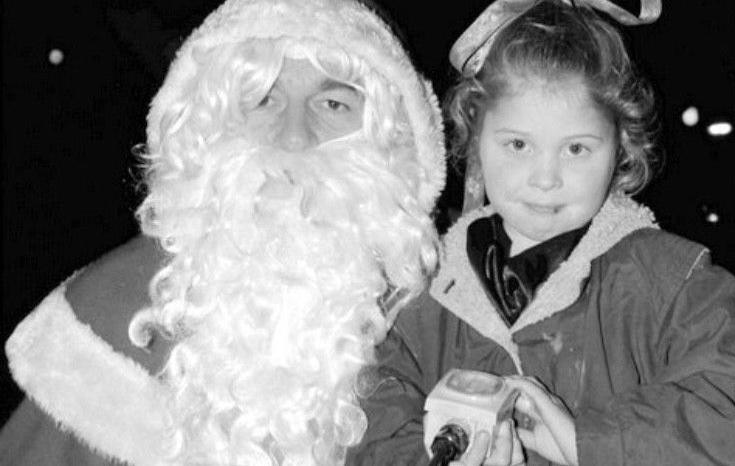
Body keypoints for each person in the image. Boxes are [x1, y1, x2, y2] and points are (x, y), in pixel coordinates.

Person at [1, 0, 447, 464]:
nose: (294, 139)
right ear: (208, 125)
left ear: (389, 141)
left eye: (333, 104)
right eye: (262, 99)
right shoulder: (102, 329)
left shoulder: (444, 324)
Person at [347, 1, 735, 465]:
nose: (545, 178)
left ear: (622, 147)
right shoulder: (422, 288)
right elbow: (365, 417)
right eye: (518, 144)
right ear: (474, 136)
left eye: (576, 149)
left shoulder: (672, 283)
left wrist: (589, 440)